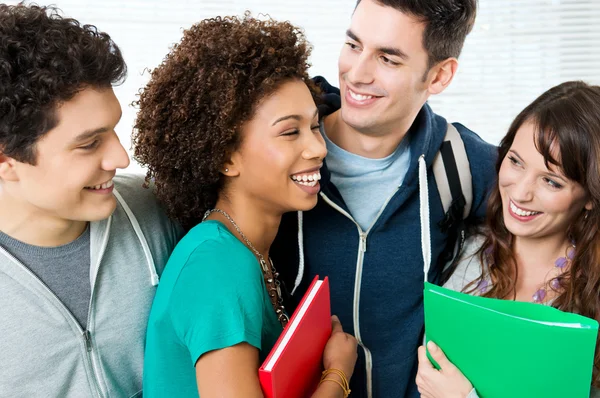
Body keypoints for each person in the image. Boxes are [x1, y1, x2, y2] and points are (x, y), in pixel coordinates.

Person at [270, 0, 497, 396]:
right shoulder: (275, 150)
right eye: (353, 45)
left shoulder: (463, 164)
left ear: (440, 75)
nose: (356, 75)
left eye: (388, 59)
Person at [133, 14, 358, 398]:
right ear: (225, 157)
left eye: (315, 126)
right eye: (290, 132)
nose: (318, 148)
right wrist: (337, 374)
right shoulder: (217, 267)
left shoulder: (248, 251)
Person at [0, 4, 182, 397]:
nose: (121, 159)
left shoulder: (158, 210)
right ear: (6, 160)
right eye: (88, 143)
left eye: (114, 131)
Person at [416, 81, 600, 398]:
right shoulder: (465, 253)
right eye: (515, 161)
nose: (520, 191)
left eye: (551, 182)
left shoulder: (592, 290)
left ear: (590, 196)